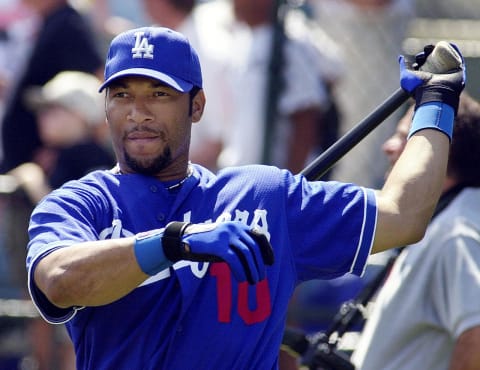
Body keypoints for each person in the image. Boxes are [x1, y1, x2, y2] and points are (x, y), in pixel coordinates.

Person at [25, 26, 464, 369]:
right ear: (106, 108)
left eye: (159, 94)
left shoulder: (265, 194)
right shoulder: (79, 203)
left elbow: (403, 214)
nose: (139, 112)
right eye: (123, 95)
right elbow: (60, 282)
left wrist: (438, 101)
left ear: (196, 106)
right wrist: (174, 242)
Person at [351, 91, 480, 370]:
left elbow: (477, 338)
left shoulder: (457, 232)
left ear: (440, 150)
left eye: (403, 137)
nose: (388, 147)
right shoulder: (451, 219)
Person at [0, 0, 103, 172]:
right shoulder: (50, 21)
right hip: (28, 162)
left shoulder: (68, 23)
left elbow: (100, 81)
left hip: (53, 168)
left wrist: (72, 146)